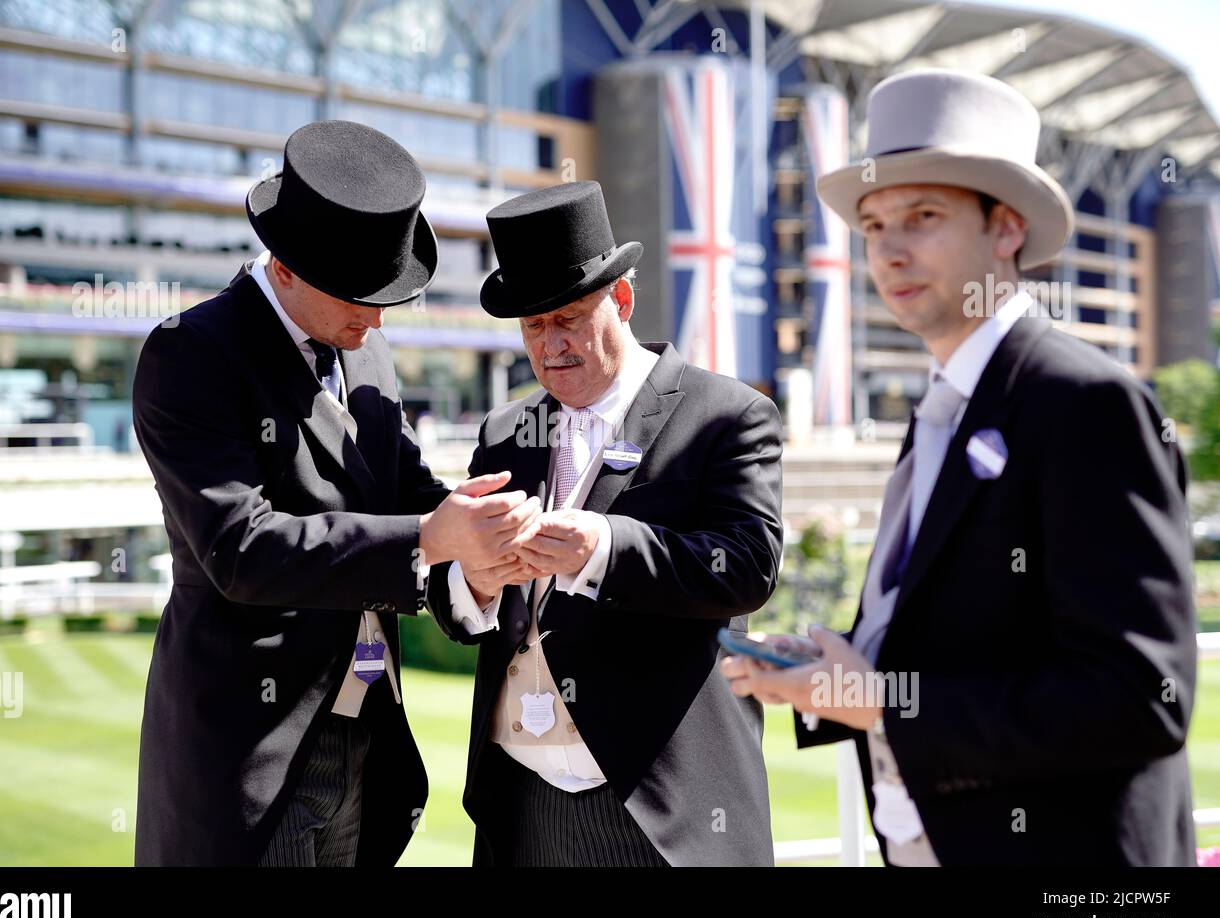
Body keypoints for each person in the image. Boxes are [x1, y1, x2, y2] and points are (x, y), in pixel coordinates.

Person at [723, 69, 1197, 866]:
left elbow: (1143, 699)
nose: (890, 249)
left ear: (1007, 228)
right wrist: (842, 665)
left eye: (924, 217)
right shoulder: (946, 404)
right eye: (873, 225)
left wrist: (877, 702)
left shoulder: (1087, 403)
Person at [132, 120, 539, 866]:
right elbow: (241, 548)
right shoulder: (189, 352)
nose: (378, 317)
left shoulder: (365, 349)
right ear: (284, 268)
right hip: (250, 756)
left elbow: (410, 492)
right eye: (360, 295)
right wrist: (428, 539)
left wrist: (482, 546)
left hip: (365, 739)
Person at [426, 180, 784, 866]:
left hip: (656, 810)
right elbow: (450, 602)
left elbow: (747, 567)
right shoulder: (505, 431)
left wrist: (604, 549)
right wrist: (474, 579)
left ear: (621, 300)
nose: (551, 344)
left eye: (569, 318)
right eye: (534, 326)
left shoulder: (726, 414)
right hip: (521, 805)